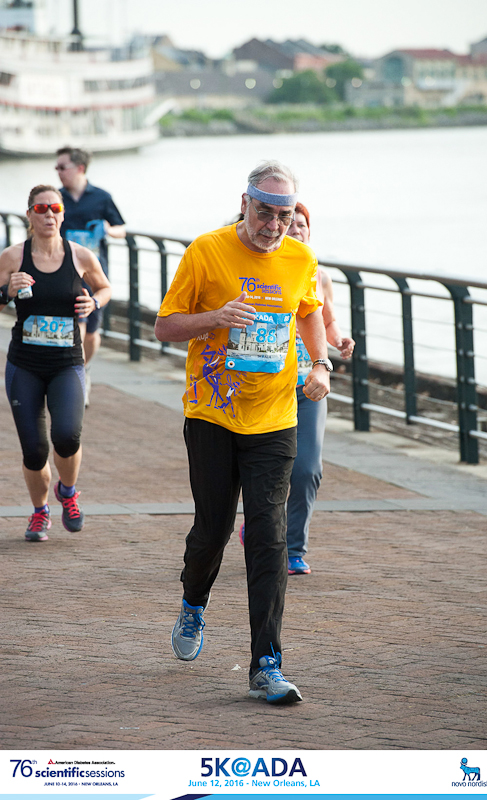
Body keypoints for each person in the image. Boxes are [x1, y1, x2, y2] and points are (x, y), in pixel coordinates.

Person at [155, 160, 332, 705]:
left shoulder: (300, 257)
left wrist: (320, 364)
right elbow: (164, 326)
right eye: (265, 212)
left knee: (269, 537)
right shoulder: (206, 251)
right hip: (212, 414)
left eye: (284, 215)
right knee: (212, 531)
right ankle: (193, 603)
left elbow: (309, 311)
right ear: (244, 204)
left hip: (275, 418)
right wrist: (216, 317)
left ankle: (266, 665)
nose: (274, 225)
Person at [0, 185, 111, 542]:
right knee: (34, 450)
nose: (49, 214)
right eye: (41, 208)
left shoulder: (80, 256)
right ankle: (40, 511)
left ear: (63, 214)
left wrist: (94, 302)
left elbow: (105, 288)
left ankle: (68, 491)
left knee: (66, 435)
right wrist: (6, 292)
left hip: (66, 363)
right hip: (25, 365)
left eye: (55, 208)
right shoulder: (13, 257)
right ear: (29, 215)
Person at [285, 203, 355, 574]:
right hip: (269, 385)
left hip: (310, 385)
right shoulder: (266, 272)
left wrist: (339, 340)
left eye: (302, 225)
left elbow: (326, 321)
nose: (296, 230)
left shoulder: (320, 276)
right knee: (271, 469)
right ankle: (262, 525)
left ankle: (293, 549)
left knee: (308, 468)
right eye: (289, 224)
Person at [55, 146, 125, 404]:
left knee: (92, 332)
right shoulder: (56, 198)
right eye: (56, 167)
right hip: (64, 272)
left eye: (62, 167)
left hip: (95, 275)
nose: (58, 171)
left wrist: (107, 229)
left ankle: (84, 368)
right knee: (76, 326)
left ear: (80, 168)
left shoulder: (102, 197)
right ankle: (75, 378)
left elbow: (121, 229)